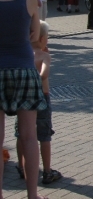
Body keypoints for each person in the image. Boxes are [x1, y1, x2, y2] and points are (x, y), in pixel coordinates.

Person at [0, 0, 49, 199]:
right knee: (29, 137)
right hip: (22, 67)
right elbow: (34, 35)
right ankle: (32, 197)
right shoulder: (29, 0)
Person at [15, 20, 62, 185]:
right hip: (42, 96)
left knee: (22, 133)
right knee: (44, 135)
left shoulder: (22, 54)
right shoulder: (44, 56)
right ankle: (47, 171)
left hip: (23, 97)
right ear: (42, 39)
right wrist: (45, 60)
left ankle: (21, 166)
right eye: (47, 37)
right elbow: (44, 75)